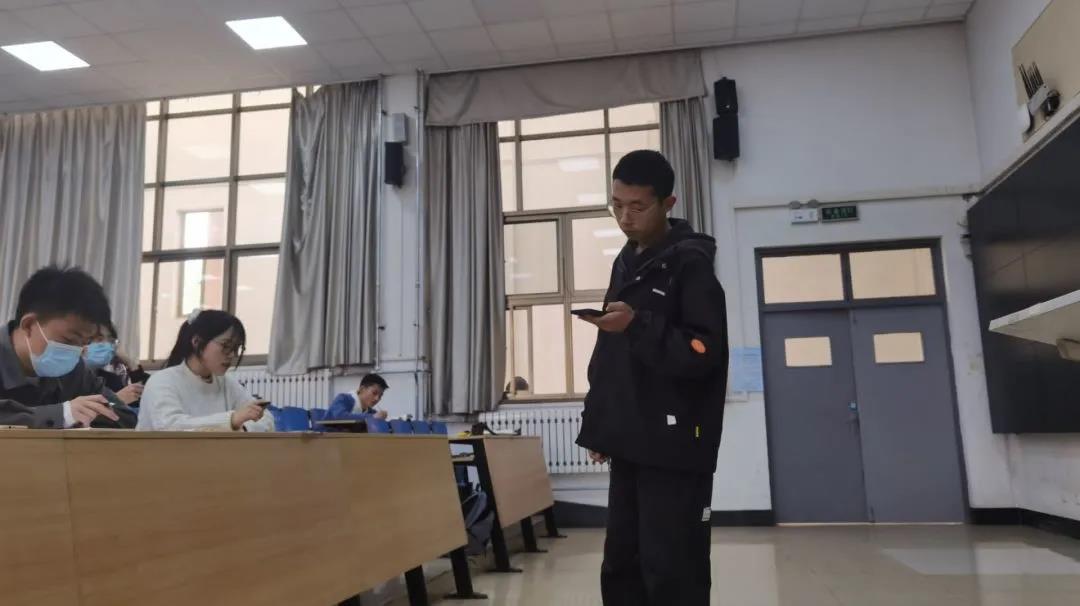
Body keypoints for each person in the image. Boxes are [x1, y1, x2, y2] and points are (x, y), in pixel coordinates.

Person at [575, 150, 729, 606]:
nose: (625, 217)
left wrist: (638, 324)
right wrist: (601, 423)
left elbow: (703, 351)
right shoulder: (626, 262)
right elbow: (611, 353)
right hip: (630, 440)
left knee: (671, 568)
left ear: (668, 203)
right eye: (617, 205)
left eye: (638, 206)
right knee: (622, 565)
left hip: (675, 446)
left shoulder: (690, 264)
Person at [0, 265, 136, 429]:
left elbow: (123, 415)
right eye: (69, 340)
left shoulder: (73, 370)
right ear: (28, 325)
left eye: (85, 343)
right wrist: (62, 415)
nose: (77, 352)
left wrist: (88, 413)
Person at [137, 309, 274, 432]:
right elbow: (169, 426)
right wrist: (231, 421)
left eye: (236, 348)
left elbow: (266, 418)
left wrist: (242, 427)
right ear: (197, 342)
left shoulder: (227, 383)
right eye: (226, 346)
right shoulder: (161, 381)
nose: (232, 355)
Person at [84, 320, 148, 406]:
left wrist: (131, 363)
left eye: (110, 340)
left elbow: (141, 403)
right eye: (99, 339)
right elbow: (74, 412)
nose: (106, 345)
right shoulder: (69, 379)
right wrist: (115, 400)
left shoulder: (111, 380)